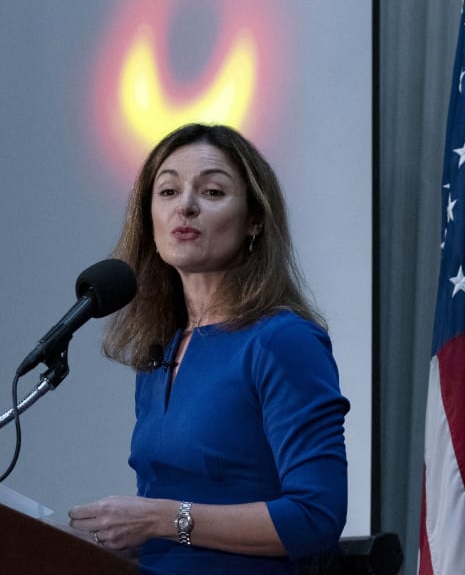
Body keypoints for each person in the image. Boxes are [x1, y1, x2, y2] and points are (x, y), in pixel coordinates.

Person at [68, 123, 349, 574]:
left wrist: (160, 518)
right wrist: (120, 537)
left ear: (254, 219)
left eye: (213, 192)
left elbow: (316, 517)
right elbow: (177, 535)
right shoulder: (158, 354)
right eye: (168, 192)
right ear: (149, 219)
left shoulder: (282, 340)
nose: (186, 206)